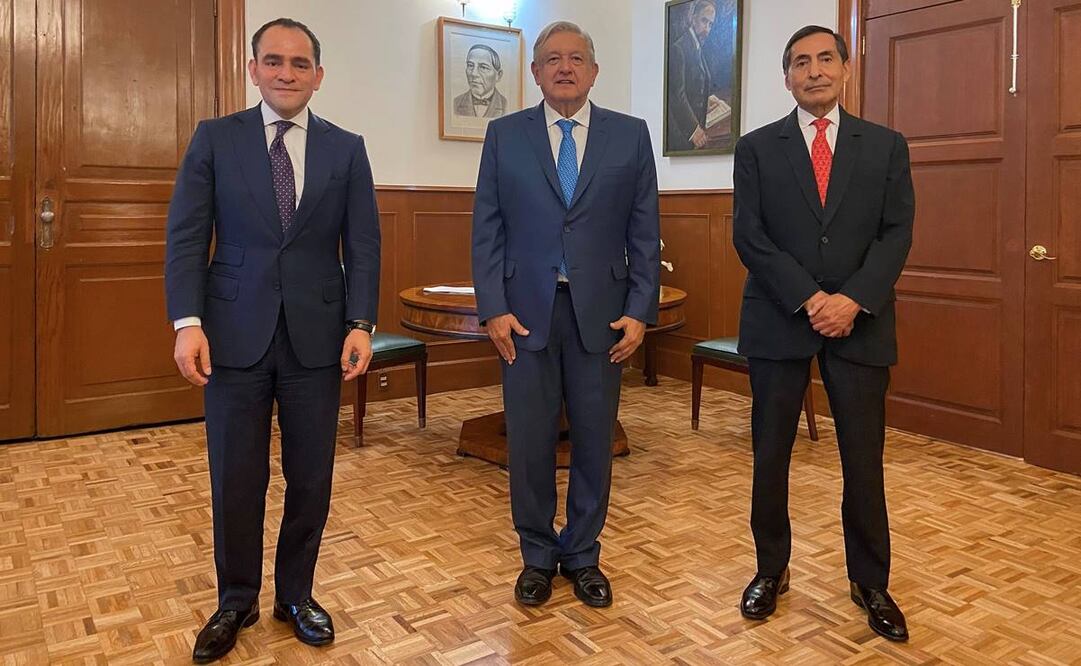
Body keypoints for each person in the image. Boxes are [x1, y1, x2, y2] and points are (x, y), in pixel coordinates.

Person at [164, 17, 380, 663]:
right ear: (253, 69)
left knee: (311, 477)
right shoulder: (215, 138)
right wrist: (187, 322)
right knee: (237, 477)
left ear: (318, 74)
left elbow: (363, 245)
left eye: (300, 63)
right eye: (275, 61)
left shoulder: (347, 149)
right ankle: (236, 600)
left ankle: (296, 595)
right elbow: (186, 236)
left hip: (319, 339)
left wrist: (361, 323)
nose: (288, 73)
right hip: (231, 336)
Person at [731, 25, 914, 642]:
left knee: (863, 459)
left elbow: (897, 233)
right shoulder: (757, 148)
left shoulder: (885, 146)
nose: (814, 71)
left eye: (825, 59)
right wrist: (811, 298)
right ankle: (770, 570)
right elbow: (749, 236)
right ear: (786, 77)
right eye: (801, 62)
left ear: (845, 69)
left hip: (861, 324)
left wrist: (853, 299)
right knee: (770, 455)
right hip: (780, 318)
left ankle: (871, 582)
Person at [471, 20, 660, 609]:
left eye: (576, 58)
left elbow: (645, 230)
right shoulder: (504, 135)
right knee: (529, 440)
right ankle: (536, 554)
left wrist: (640, 309)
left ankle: (582, 553)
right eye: (552, 58)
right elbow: (487, 227)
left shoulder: (630, 135)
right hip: (524, 314)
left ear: (594, 71)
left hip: (603, 315)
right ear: (535, 72)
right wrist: (493, 308)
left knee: (595, 438)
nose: (564, 67)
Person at [667, 0, 724, 151]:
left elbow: (695, 83)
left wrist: (707, 99)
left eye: (710, 24)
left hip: (699, 122)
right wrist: (693, 129)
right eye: (704, 21)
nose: (707, 29)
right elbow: (677, 96)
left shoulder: (696, 44)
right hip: (684, 134)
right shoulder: (679, 49)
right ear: (693, 18)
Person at [453, 44, 509, 118]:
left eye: (483, 67)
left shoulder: (506, 105)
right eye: (470, 65)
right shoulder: (456, 103)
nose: (474, 73)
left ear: (498, 75)